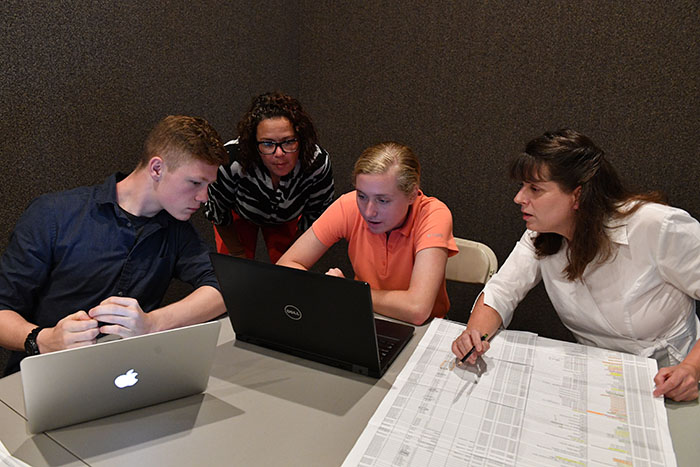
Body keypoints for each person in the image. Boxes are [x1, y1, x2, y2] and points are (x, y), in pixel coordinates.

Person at [451, 129, 700, 401]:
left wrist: (691, 368)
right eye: (522, 186)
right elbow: (502, 291)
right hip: (598, 380)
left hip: (673, 381)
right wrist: (474, 334)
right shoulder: (540, 235)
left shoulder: (656, 226)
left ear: (578, 195)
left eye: (535, 189)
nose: (519, 198)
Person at [0, 115, 229, 375]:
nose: (203, 198)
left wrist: (153, 324)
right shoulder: (53, 214)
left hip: (127, 373)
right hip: (45, 374)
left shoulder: (177, 230)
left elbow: (222, 285)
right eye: (196, 183)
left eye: (209, 186)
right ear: (157, 169)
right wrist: (44, 339)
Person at [278, 141, 458, 325]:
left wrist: (348, 292)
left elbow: (417, 309)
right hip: (363, 315)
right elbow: (285, 265)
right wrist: (328, 288)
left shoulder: (433, 215)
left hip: (421, 330)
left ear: (412, 194)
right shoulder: (348, 205)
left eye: (383, 200)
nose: (369, 211)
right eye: (362, 196)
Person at [204, 92, 334, 263]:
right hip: (239, 215)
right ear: (253, 143)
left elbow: (316, 217)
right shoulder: (230, 160)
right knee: (235, 273)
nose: (279, 153)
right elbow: (218, 211)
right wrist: (237, 255)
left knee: (288, 274)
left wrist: (290, 262)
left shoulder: (316, 163)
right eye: (267, 143)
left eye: (288, 142)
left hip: (288, 216)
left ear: (301, 139)